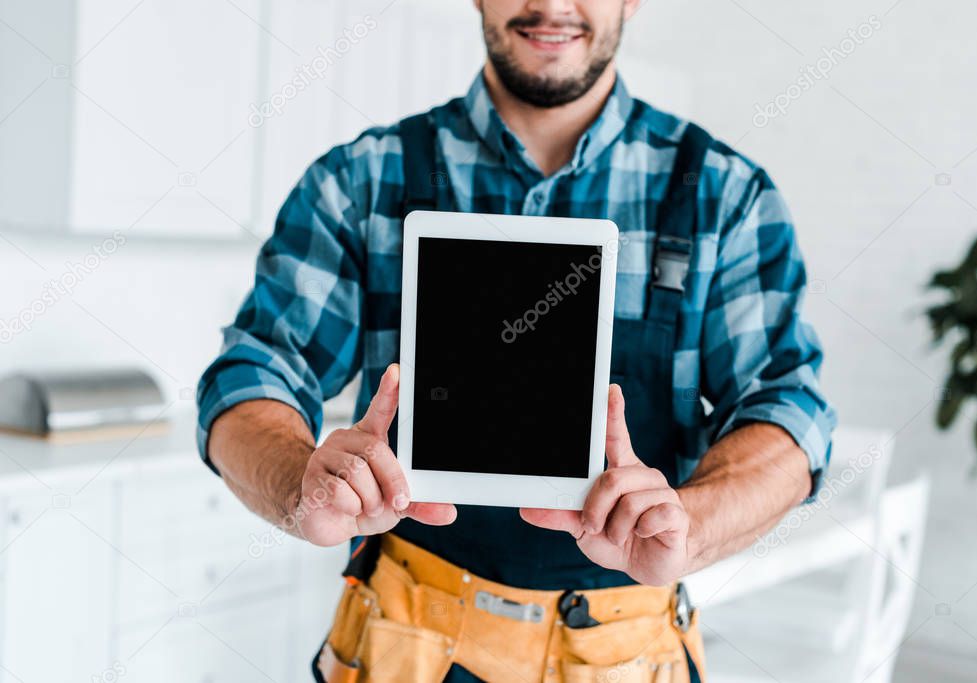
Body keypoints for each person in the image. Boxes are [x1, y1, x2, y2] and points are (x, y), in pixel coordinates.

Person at [197, 1, 837, 681]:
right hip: (401, 641)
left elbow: (787, 409)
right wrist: (303, 486)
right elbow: (251, 374)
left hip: (625, 652)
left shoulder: (723, 196)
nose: (552, 4)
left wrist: (690, 524)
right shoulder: (361, 180)